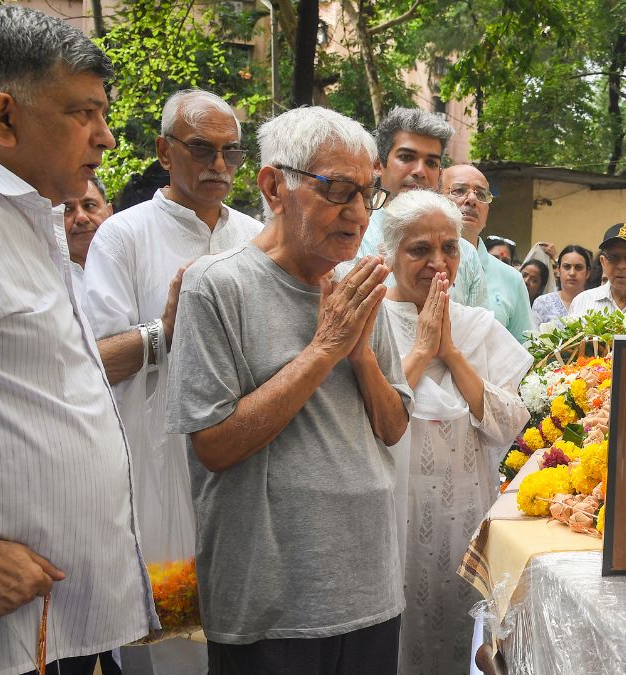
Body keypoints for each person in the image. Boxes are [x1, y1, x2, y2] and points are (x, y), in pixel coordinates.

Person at [0, 7, 154, 674]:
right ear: (4, 118)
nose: (105, 137)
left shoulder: (23, 211)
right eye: (84, 113)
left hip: (48, 624)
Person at [165, 106, 411, 674]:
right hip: (272, 603)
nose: (356, 214)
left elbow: (394, 427)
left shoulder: (359, 286)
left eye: (367, 194)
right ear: (275, 186)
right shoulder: (216, 286)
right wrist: (324, 349)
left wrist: (361, 354)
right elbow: (214, 446)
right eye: (338, 190)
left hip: (370, 587)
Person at [82, 88, 263, 674]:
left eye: (232, 152)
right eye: (202, 150)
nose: (219, 166)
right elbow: (94, 361)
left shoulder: (258, 239)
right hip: (156, 475)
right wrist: (163, 331)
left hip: (246, 475)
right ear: (164, 151)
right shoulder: (124, 235)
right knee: (167, 652)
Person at [378, 189, 531, 674]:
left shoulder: (477, 326)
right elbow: (366, 416)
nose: (437, 261)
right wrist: (423, 349)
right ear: (390, 253)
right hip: (387, 510)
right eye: (419, 249)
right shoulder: (367, 321)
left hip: (460, 512)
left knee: (452, 636)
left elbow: (510, 421)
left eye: (449, 247)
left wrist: (453, 353)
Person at [358, 106, 486, 307]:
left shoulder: (466, 254)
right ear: (377, 164)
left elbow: (478, 334)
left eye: (431, 163)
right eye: (407, 157)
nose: (420, 171)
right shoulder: (355, 238)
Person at [441, 164, 532, 341]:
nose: (472, 200)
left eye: (481, 195)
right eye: (459, 190)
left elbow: (526, 348)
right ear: (436, 197)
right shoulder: (416, 265)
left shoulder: (511, 278)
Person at [62, 177, 113, 300]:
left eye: (89, 205)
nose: (81, 218)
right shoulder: (49, 279)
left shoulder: (133, 265)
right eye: (67, 209)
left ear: (109, 212)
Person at [532, 245, 592, 325]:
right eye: (567, 267)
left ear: (587, 273)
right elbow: (533, 336)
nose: (572, 273)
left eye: (578, 267)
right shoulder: (542, 303)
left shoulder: (595, 303)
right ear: (558, 270)